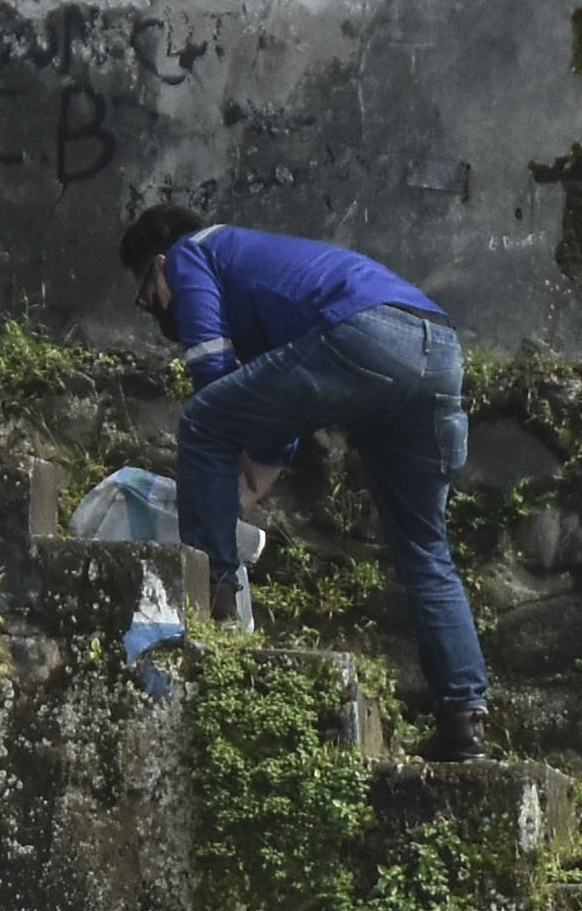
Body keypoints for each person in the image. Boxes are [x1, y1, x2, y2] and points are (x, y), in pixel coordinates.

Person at [121, 201, 491, 761]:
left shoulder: (194, 254)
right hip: (436, 348)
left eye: (149, 297)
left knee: (202, 420)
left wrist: (224, 464)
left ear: (160, 264)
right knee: (424, 550)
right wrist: (259, 463)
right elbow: (280, 390)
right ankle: (464, 725)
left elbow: (212, 371)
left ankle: (214, 609)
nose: (156, 310)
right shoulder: (257, 273)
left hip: (366, 334)